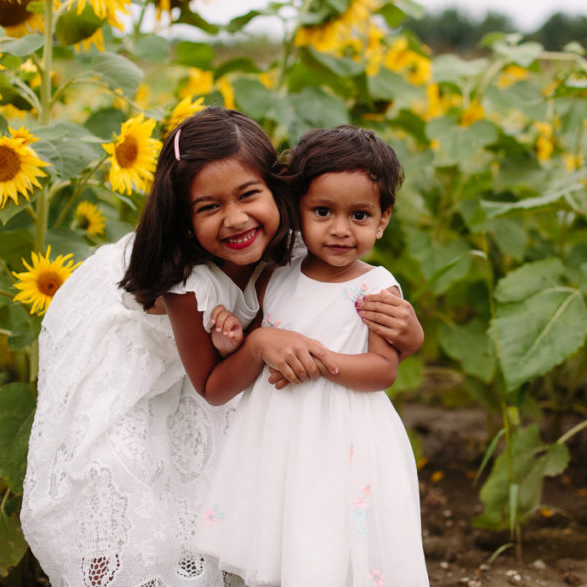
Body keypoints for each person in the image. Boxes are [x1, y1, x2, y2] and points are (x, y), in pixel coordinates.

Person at [22, 108, 423, 587]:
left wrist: (410, 333)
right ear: (184, 219)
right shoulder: (181, 280)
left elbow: (353, 330)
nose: (236, 219)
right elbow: (214, 382)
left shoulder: (304, 245)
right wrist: (256, 344)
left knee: (204, 476)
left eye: (249, 194)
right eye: (209, 207)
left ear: (279, 192)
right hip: (129, 356)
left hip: (219, 361)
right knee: (114, 473)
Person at [195, 125, 430, 587]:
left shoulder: (375, 288)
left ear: (383, 219)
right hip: (277, 431)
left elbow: (384, 370)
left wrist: (318, 358)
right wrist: (231, 340)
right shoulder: (277, 274)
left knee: (331, 532)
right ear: (298, 210)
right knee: (282, 525)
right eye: (323, 211)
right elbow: (258, 341)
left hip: (344, 435)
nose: (340, 229)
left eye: (360, 215)